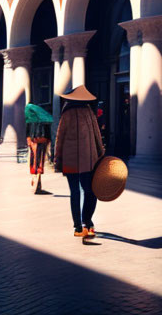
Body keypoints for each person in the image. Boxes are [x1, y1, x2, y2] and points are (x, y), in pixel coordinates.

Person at [54, 86, 104, 238]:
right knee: (90, 190)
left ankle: (78, 227)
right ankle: (87, 222)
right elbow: (97, 135)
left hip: (70, 159)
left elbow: (59, 138)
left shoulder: (66, 114)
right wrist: (100, 154)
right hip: (89, 159)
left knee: (74, 192)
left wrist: (58, 159)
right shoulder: (89, 112)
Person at [25, 103, 53, 195]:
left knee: (33, 159)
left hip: (33, 140)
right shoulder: (44, 118)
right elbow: (48, 132)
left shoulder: (31, 118)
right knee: (40, 160)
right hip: (42, 140)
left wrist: (28, 139)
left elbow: (27, 132)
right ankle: (37, 183)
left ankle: (35, 181)